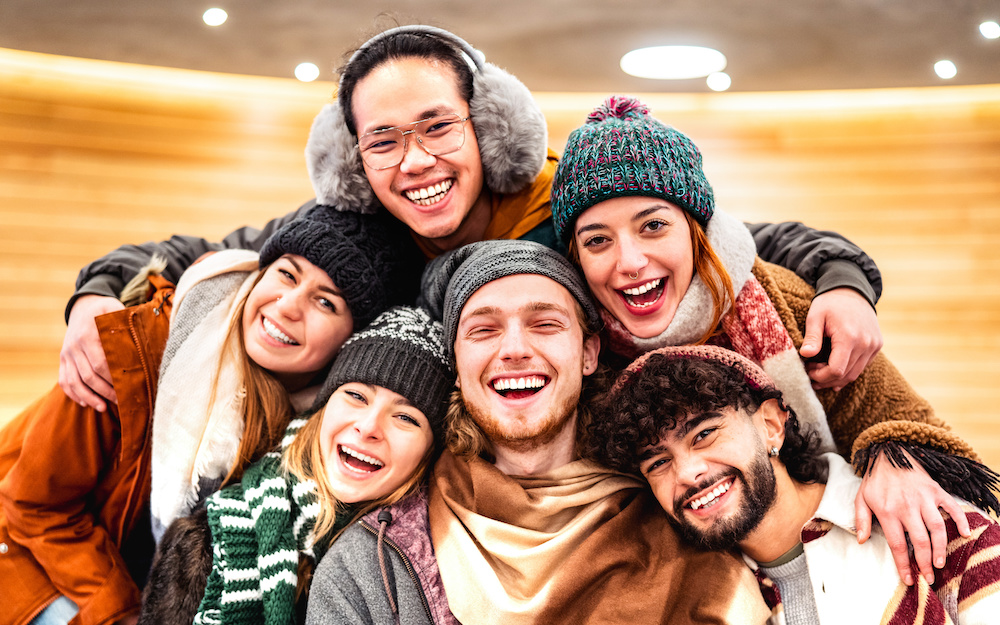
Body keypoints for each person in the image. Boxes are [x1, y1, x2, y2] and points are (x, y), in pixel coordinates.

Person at [61, 25, 883, 414]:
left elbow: (747, 241)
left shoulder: (568, 202)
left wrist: (844, 284)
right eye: (383, 141)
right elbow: (207, 250)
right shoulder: (358, 225)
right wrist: (97, 293)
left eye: (437, 129)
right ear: (352, 160)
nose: (414, 163)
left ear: (486, 127)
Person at [549, 94, 1000, 586]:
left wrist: (894, 459)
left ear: (697, 231)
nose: (630, 261)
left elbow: (905, 419)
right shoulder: (580, 351)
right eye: (598, 240)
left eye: (654, 226)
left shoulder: (782, 303)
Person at [307, 240, 773, 625]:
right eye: (483, 330)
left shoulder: (685, 512)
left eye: (545, 324)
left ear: (589, 353)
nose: (513, 349)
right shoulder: (370, 569)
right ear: (457, 364)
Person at [0, 209, 417, 625]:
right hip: (34, 565)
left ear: (351, 341)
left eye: (325, 302)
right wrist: (121, 614)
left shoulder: (323, 428)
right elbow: (33, 505)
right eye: (287, 274)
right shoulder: (142, 345)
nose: (288, 306)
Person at [586, 345, 1000, 624]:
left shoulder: (928, 526)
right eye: (659, 462)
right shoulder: (690, 598)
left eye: (704, 435)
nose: (688, 473)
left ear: (771, 425)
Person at [137, 306, 454, 625]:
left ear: (429, 452)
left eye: (405, 417)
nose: (368, 426)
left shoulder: (431, 566)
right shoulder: (207, 538)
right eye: (357, 396)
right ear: (323, 409)